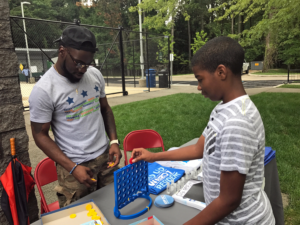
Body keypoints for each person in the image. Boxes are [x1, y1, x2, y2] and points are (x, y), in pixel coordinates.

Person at [131, 37, 275, 224]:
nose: (199, 87)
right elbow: (199, 148)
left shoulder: (237, 122)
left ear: (221, 72)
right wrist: (152, 156)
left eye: (200, 79)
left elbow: (229, 201)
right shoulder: (223, 109)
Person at [29, 25, 122, 208]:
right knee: (79, 216)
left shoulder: (94, 75)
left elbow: (105, 109)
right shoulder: (44, 90)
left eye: (88, 64)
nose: (83, 70)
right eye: (78, 63)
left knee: (116, 207)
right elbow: (39, 135)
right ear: (62, 51)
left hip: (105, 159)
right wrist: (72, 167)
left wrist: (114, 141)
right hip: (74, 166)